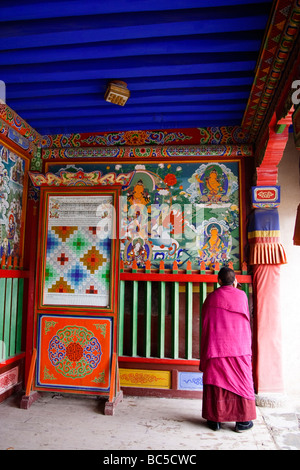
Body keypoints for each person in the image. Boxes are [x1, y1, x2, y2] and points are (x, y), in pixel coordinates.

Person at [199, 266, 256, 432]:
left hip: (216, 348)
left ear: (218, 281)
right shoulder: (242, 296)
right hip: (239, 347)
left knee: (216, 381)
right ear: (235, 281)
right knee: (242, 381)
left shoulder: (211, 298)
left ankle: (215, 420)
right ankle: (242, 422)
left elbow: (206, 325)